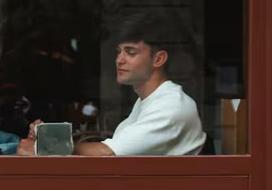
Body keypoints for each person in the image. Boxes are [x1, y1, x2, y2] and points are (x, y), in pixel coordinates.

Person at [18, 13, 205, 156]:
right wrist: (47, 137)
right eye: (119, 52)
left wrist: (46, 146)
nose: (119, 60)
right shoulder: (149, 101)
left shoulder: (170, 106)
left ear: (158, 59)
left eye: (130, 52)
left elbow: (107, 153)